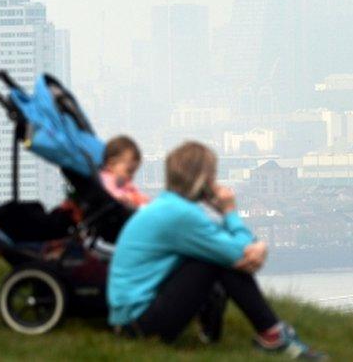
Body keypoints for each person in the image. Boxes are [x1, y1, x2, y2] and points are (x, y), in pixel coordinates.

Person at [107, 141, 324, 359]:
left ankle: (270, 333)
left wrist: (253, 247)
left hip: (129, 319)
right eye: (212, 176)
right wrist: (230, 212)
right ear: (204, 179)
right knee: (215, 260)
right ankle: (273, 335)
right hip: (138, 324)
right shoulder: (182, 215)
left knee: (215, 254)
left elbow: (232, 246)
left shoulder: (171, 206)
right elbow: (238, 252)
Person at [100, 135, 149, 209]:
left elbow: (134, 192)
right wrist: (128, 197)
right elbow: (111, 194)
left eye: (133, 172)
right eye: (129, 171)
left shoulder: (123, 182)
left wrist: (141, 199)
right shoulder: (105, 178)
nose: (131, 176)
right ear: (111, 164)